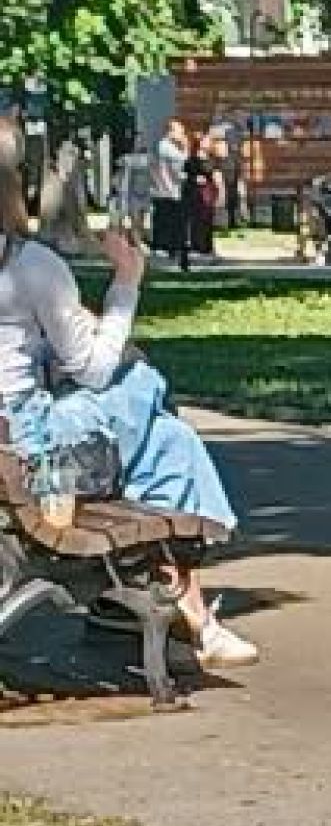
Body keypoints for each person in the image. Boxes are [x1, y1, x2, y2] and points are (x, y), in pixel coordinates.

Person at [0, 167, 258, 668]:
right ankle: (191, 617)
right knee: (146, 398)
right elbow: (94, 371)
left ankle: (178, 613)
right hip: (31, 449)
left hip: (8, 449)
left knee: (159, 431)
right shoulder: (28, 266)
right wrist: (127, 282)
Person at [149, 120, 187, 256]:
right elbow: (182, 163)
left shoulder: (168, 146)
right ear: (170, 131)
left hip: (167, 188)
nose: (182, 134)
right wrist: (185, 146)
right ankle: (162, 246)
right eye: (180, 131)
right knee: (165, 218)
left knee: (167, 218)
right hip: (166, 189)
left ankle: (167, 245)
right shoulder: (166, 147)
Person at [181, 136, 218, 264]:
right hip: (194, 193)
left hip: (208, 193)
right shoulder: (191, 160)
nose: (209, 143)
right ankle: (197, 247)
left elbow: (215, 175)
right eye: (206, 141)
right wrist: (194, 179)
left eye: (209, 141)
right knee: (197, 220)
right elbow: (185, 177)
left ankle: (207, 248)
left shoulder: (212, 160)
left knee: (207, 220)